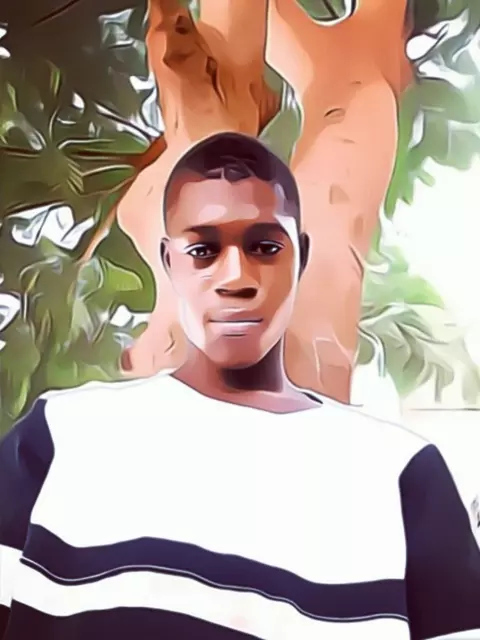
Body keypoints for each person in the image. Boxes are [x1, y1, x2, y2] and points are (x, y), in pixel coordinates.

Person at [0, 132, 479, 640]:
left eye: (265, 248)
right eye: (203, 250)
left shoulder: (400, 474)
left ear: (301, 258)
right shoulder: (62, 434)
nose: (235, 278)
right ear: (168, 261)